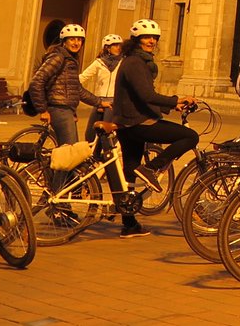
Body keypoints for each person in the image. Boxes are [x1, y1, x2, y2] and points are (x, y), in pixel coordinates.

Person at [112, 19, 199, 237]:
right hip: (137, 122)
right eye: (146, 37)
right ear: (136, 40)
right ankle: (152, 168)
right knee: (190, 136)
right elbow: (146, 95)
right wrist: (175, 99)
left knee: (130, 173)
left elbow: (141, 96)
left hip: (128, 122)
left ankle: (129, 224)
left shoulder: (136, 61)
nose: (151, 41)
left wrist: (172, 105)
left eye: (154, 38)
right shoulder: (135, 62)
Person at [29, 23, 102, 149]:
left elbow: (77, 89)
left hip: (66, 109)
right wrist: (42, 110)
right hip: (59, 109)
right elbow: (36, 81)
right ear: (64, 41)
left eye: (79, 40)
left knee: (67, 150)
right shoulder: (58, 57)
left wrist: (99, 102)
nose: (76, 43)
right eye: (72, 39)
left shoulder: (70, 59)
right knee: (71, 151)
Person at [79, 33, 123, 142]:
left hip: (113, 101)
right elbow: (83, 76)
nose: (118, 48)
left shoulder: (123, 62)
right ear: (107, 48)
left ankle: (108, 151)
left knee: (105, 134)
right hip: (99, 101)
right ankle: (93, 151)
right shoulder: (99, 62)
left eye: (119, 45)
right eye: (115, 45)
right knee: (90, 133)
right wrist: (69, 82)